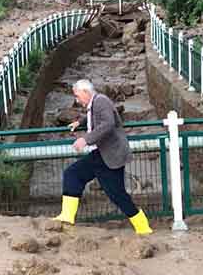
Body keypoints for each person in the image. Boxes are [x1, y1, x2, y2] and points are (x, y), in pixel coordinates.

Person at [52, 79, 153, 235]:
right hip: (104, 153)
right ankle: (67, 216)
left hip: (110, 154)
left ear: (86, 92)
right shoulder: (96, 102)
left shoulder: (101, 102)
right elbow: (93, 116)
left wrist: (85, 139)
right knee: (73, 174)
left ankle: (143, 227)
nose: (77, 100)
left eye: (78, 96)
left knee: (117, 194)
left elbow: (107, 123)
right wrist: (79, 122)